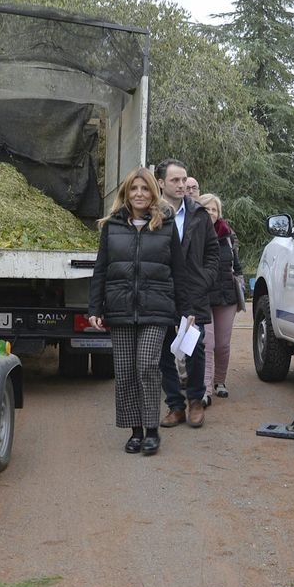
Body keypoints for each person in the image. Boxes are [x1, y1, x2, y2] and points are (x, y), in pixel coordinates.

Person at [86, 166, 187, 456]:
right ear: (126, 193)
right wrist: (95, 307)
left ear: (153, 193)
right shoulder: (112, 226)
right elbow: (101, 270)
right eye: (134, 189)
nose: (139, 194)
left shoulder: (166, 226)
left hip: (157, 308)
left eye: (144, 189)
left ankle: (152, 430)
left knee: (146, 365)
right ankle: (135, 431)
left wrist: (186, 311)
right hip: (119, 308)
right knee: (126, 370)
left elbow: (179, 271)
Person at [154, 159, 217, 428]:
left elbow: (213, 252)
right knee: (164, 351)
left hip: (193, 293)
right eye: (175, 181)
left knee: (195, 348)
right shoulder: (152, 214)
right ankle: (175, 406)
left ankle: (194, 402)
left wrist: (204, 280)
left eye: (184, 180)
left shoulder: (199, 214)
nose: (181, 185)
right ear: (161, 183)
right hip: (161, 293)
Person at [197, 193, 244, 402]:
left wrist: (241, 285)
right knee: (207, 342)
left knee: (223, 343)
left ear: (219, 213)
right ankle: (205, 390)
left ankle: (219, 381)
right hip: (202, 295)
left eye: (213, 209)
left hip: (226, 295)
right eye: (206, 209)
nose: (210, 213)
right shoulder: (192, 234)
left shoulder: (227, 235)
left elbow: (237, 264)